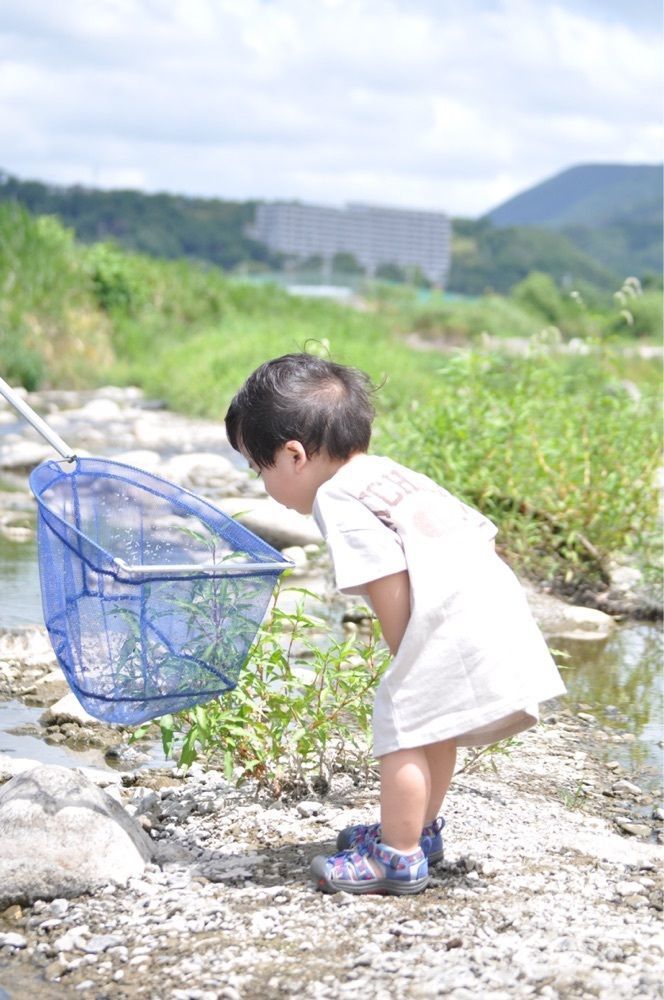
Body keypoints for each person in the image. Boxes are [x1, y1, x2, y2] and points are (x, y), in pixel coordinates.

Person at [225, 353, 566, 896]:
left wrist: (404, 657)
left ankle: (398, 857)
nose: (261, 482)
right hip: (492, 603)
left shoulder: (337, 498)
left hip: (453, 618)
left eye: (257, 467)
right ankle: (417, 830)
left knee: (402, 720)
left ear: (293, 455)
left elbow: (391, 583)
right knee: (432, 724)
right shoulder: (385, 473)